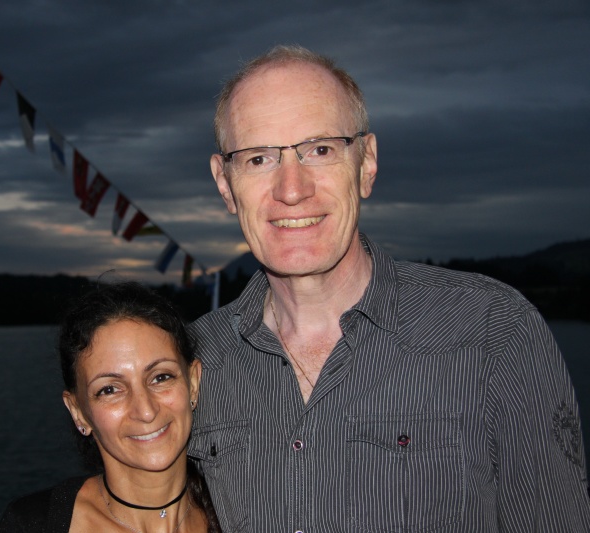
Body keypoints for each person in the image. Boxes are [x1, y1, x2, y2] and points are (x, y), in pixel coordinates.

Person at [189, 44, 590, 532]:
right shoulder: (190, 360)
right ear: (225, 183)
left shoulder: (494, 331)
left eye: (320, 149)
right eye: (258, 158)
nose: (292, 189)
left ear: (367, 163)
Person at [0, 282, 220, 533]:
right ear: (78, 412)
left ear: (193, 383)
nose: (146, 411)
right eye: (110, 389)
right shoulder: (33, 525)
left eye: (160, 377)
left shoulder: (240, 512)